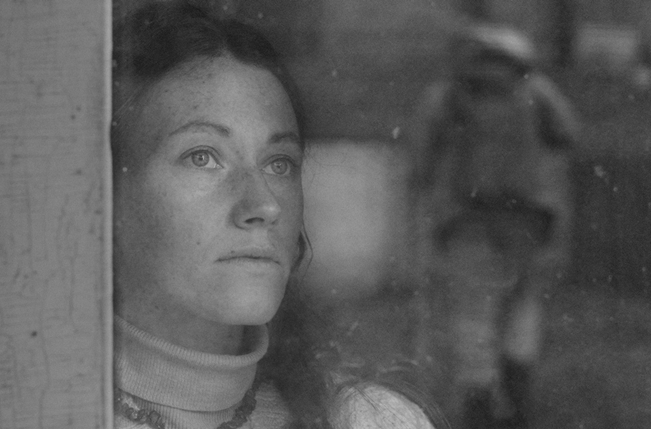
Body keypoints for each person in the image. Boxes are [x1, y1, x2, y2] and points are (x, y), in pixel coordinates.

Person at [110, 3, 438, 428]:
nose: (264, 205)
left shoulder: (364, 421)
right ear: (105, 194)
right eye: (202, 156)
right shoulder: (39, 406)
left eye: (278, 163)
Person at [407, 23, 579, 429]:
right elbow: (568, 133)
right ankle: (518, 404)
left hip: (468, 219)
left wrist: (426, 197)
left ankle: (479, 407)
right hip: (526, 219)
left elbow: (420, 159)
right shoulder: (535, 90)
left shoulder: (449, 94)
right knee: (522, 306)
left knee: (473, 314)